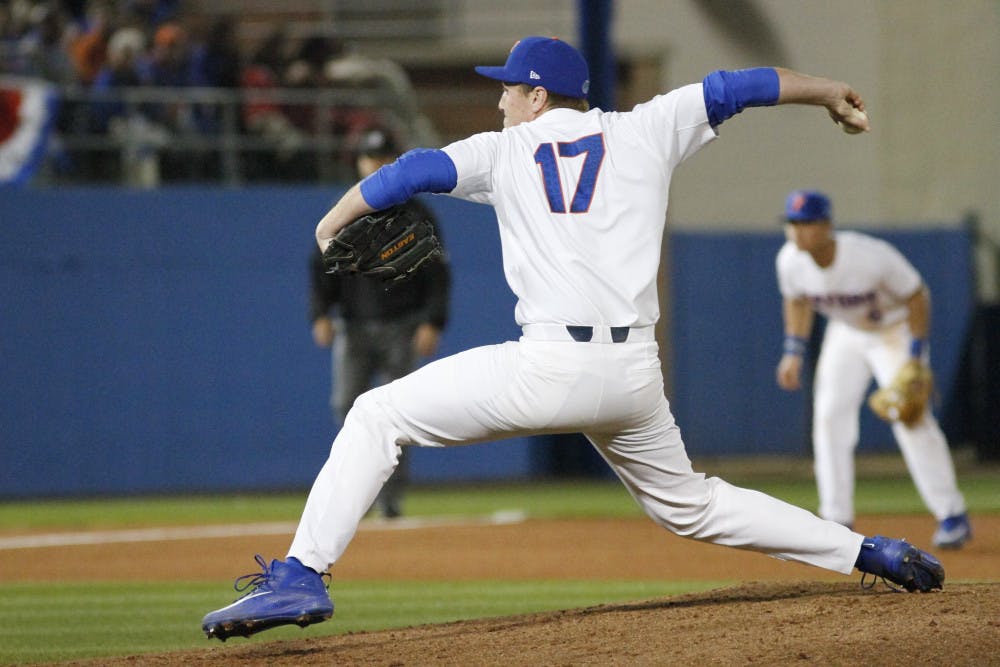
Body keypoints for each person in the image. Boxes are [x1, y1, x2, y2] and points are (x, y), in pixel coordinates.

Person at [203, 36, 946, 641]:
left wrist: (329, 222)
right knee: (690, 503)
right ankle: (867, 551)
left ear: (536, 95)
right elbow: (738, 85)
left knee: (375, 414)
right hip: (633, 374)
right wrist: (826, 92)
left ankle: (302, 571)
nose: (498, 100)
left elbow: (409, 172)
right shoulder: (646, 128)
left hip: (549, 365)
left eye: (507, 88)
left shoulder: (504, 152)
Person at [774, 189, 972, 548]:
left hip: (893, 330)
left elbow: (916, 295)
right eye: (792, 223)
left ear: (827, 225)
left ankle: (951, 514)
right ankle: (836, 518)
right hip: (846, 331)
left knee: (910, 418)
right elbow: (797, 301)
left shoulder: (868, 256)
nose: (797, 231)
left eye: (805, 223)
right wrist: (793, 352)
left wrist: (915, 355)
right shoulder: (790, 260)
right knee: (829, 417)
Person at [309, 127, 451, 519]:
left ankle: (390, 500)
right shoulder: (346, 210)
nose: (375, 165)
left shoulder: (418, 214)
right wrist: (320, 312)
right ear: (359, 162)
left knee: (398, 417)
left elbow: (438, 274)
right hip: (353, 327)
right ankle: (354, 498)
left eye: (382, 157)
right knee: (345, 407)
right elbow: (321, 266)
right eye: (369, 158)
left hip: (403, 327)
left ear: (393, 161)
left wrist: (433, 322)